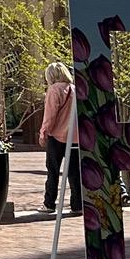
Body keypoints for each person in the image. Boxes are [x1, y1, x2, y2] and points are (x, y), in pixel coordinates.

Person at [40, 63, 81, 216]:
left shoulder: (54, 89)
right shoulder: (75, 89)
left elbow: (50, 115)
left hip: (56, 136)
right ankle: (77, 205)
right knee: (74, 173)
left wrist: (43, 133)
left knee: (52, 171)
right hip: (75, 137)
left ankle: (49, 204)